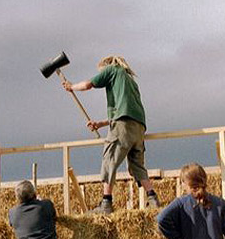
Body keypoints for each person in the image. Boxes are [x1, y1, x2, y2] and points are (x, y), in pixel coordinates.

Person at [63, 55, 160, 213]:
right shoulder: (131, 82)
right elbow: (125, 111)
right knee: (137, 166)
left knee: (109, 159)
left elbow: (88, 84)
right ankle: (153, 199)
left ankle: (106, 203)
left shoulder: (112, 70)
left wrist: (72, 86)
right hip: (139, 127)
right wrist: (101, 124)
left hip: (123, 125)